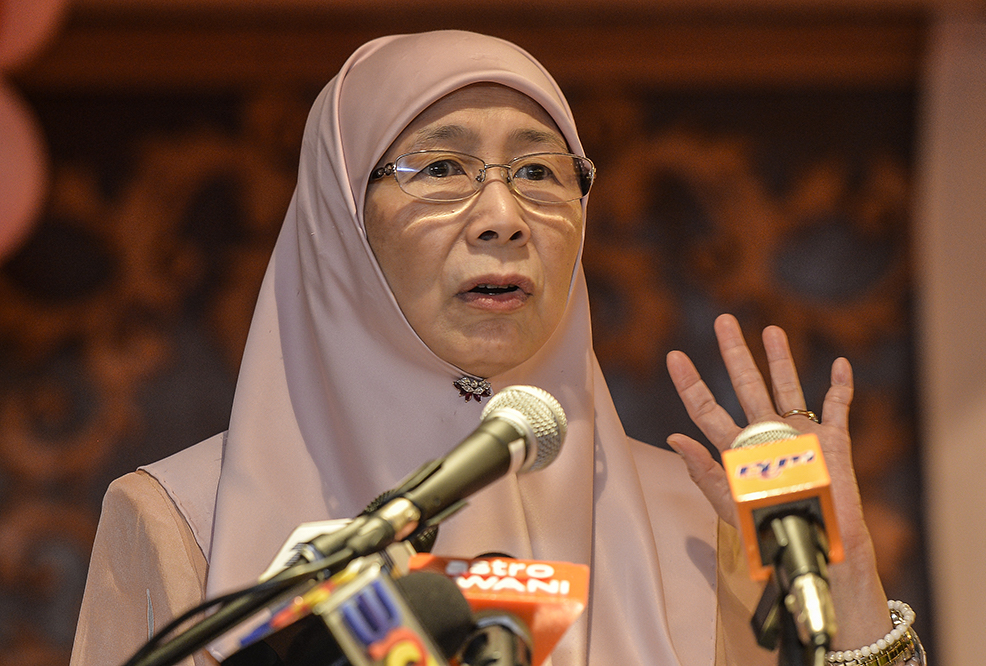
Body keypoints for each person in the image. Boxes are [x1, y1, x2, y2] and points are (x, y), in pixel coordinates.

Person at [70, 30, 923, 666]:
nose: (504, 216)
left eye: (541, 172)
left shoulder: (705, 523)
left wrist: (845, 582)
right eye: (439, 169)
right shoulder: (180, 520)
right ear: (340, 222)